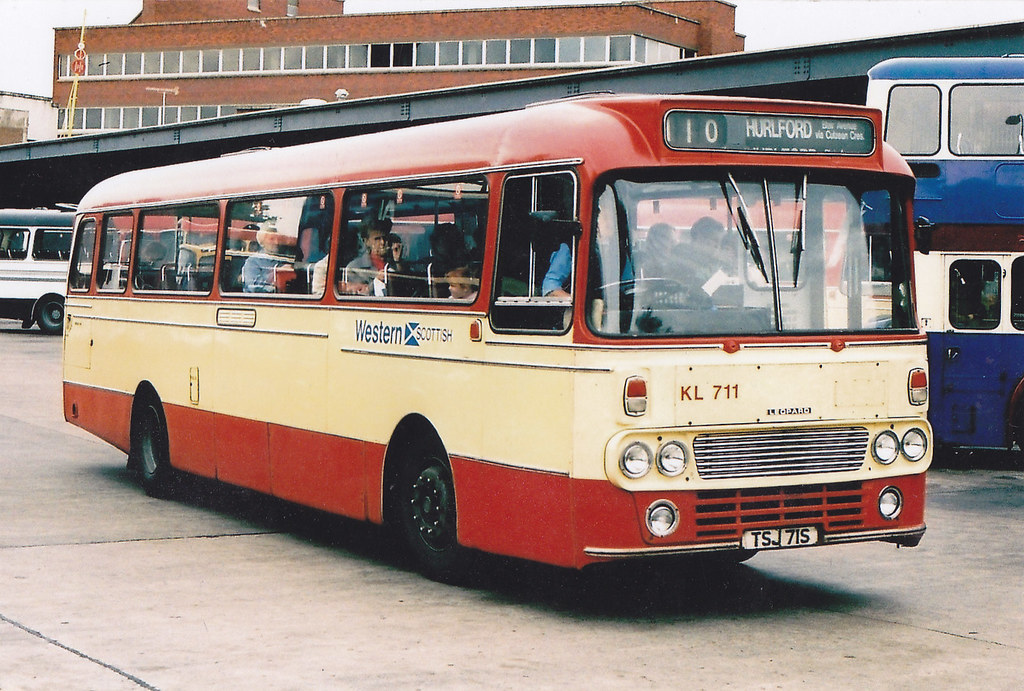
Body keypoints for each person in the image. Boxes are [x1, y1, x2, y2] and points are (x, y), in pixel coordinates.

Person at [340, 216, 392, 295]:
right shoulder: (354, 268)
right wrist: (376, 283)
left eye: (385, 238)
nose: (383, 242)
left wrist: (399, 264)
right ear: (366, 241)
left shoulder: (395, 264)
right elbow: (357, 296)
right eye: (377, 239)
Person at [241, 225, 286, 293]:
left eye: (278, 239)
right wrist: (275, 276)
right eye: (272, 239)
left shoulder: (285, 259)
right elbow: (253, 288)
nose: (276, 242)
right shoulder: (253, 261)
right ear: (262, 242)